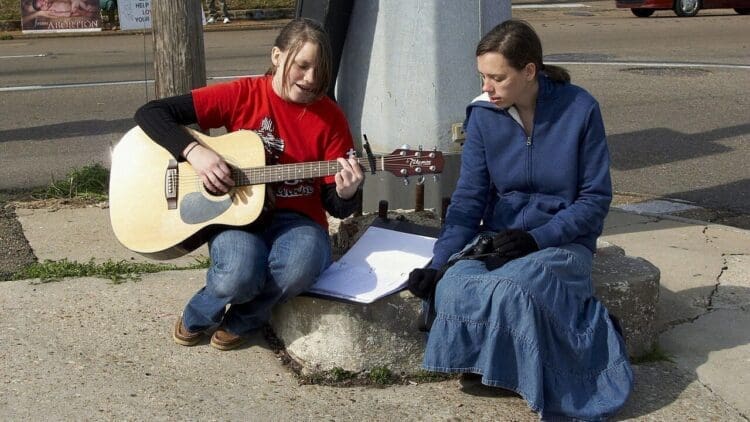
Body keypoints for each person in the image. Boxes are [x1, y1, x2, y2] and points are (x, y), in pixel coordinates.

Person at [406, 19, 633, 421]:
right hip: (499, 240)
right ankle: (502, 367)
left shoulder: (580, 109)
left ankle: (577, 345)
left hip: (563, 242)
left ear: (529, 71)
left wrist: (539, 238)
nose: (486, 88)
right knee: (454, 286)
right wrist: (438, 264)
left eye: (497, 77)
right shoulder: (483, 116)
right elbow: (468, 202)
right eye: (482, 77)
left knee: (516, 288)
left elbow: (594, 200)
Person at [134, 18, 365, 351]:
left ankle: (244, 319)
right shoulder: (243, 94)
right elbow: (151, 113)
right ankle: (199, 313)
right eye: (302, 65)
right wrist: (195, 153)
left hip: (298, 221)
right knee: (238, 275)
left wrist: (347, 192)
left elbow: (336, 204)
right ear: (276, 56)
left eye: (319, 70)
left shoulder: (331, 117)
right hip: (236, 214)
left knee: (302, 265)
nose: (311, 78)